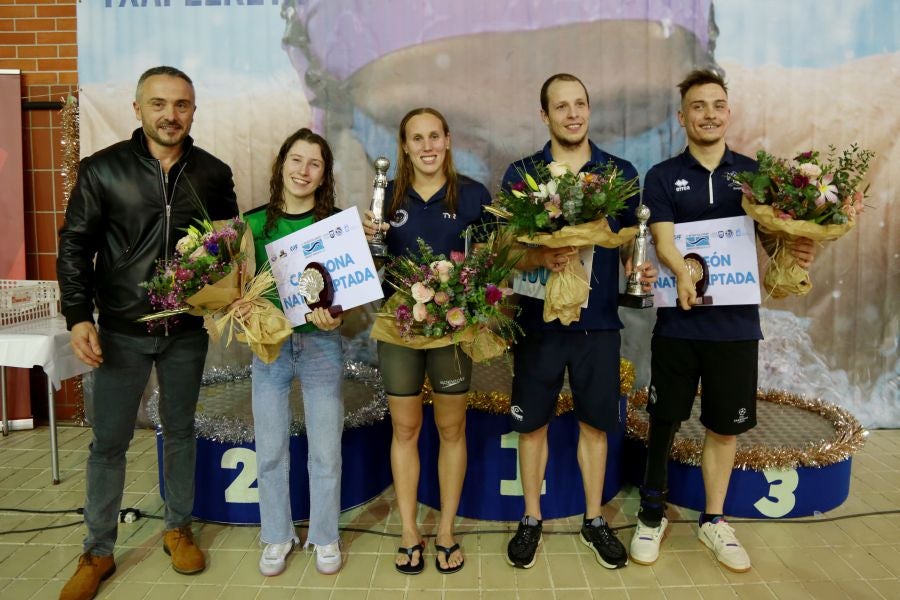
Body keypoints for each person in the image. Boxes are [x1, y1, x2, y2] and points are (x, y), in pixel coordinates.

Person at [56, 66, 238, 600]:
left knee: (179, 431)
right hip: (118, 330)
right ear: (138, 109)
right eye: (159, 104)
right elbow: (74, 248)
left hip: (184, 331)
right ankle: (98, 551)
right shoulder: (102, 170)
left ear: (194, 110)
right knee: (109, 444)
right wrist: (78, 316)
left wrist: (228, 297)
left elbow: (228, 249)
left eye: (181, 105)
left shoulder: (213, 174)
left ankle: (177, 529)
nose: (170, 115)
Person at [629, 69, 817, 573]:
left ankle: (714, 519)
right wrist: (680, 274)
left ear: (728, 112)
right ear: (682, 116)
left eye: (717, 104)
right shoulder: (663, 176)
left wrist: (797, 249)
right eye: (697, 105)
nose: (708, 113)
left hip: (735, 328)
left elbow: (774, 243)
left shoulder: (755, 176)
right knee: (664, 419)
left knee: (723, 429)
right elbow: (665, 240)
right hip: (678, 322)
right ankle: (652, 512)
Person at [503, 73, 657, 571]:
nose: (572, 114)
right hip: (538, 321)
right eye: (561, 106)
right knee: (533, 428)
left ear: (589, 110)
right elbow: (505, 253)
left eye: (580, 104)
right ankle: (532, 519)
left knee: (596, 424)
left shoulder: (618, 173)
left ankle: (594, 519)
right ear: (543, 114)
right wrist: (538, 259)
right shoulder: (522, 174)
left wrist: (639, 269)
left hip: (599, 325)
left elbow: (634, 242)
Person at [362, 107, 492, 575]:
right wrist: (364, 241)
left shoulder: (474, 196)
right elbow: (372, 270)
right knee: (407, 429)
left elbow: (490, 268)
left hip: (454, 326)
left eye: (434, 136)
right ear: (405, 146)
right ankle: (409, 531)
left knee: (452, 429)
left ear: (449, 139)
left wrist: (465, 291)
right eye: (416, 138)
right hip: (399, 325)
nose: (427, 146)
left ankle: (446, 530)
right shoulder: (386, 197)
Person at [239, 128, 346, 577]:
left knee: (325, 450)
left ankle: (325, 536)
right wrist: (240, 306)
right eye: (296, 160)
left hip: (322, 345)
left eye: (314, 163)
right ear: (281, 164)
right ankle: (277, 535)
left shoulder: (336, 225)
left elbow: (347, 295)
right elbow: (239, 288)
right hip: (271, 349)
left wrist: (335, 316)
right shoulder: (253, 223)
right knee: (270, 448)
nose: (304, 171)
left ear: (324, 175)